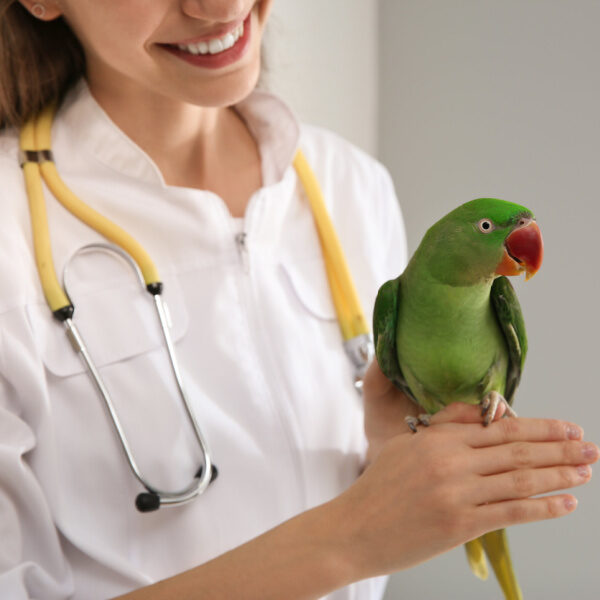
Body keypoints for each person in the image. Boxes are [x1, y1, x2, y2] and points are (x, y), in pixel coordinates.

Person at [0, 1, 596, 599]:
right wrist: (347, 540)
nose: (223, 6)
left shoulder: (353, 186)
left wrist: (391, 457)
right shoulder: (11, 229)